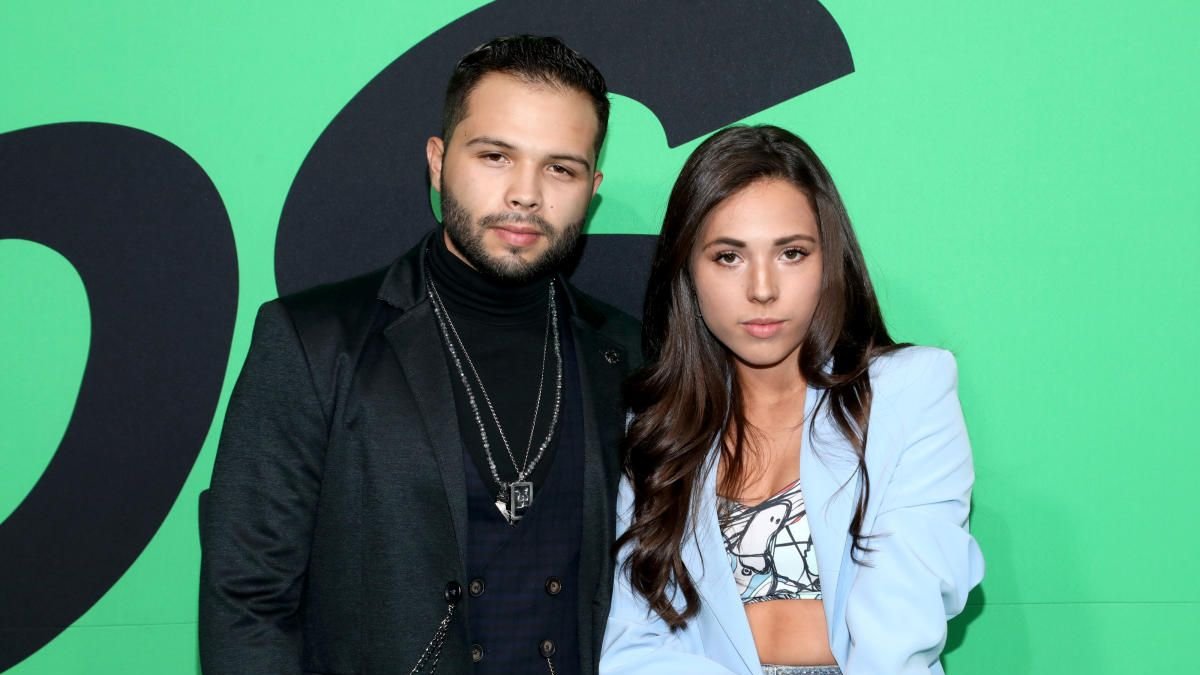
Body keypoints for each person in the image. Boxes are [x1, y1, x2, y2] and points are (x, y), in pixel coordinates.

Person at [199, 35, 640, 675]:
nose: (525, 193)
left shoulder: (628, 354)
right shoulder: (315, 342)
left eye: (560, 169)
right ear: (438, 162)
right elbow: (247, 600)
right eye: (495, 156)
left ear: (591, 188)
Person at [600, 125, 983, 675]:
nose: (762, 289)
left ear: (829, 262)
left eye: (791, 253)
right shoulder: (657, 425)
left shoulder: (908, 391)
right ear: (688, 271)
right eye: (728, 257)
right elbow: (631, 646)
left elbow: (902, 623)